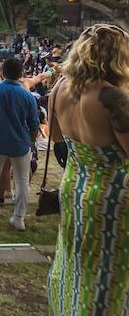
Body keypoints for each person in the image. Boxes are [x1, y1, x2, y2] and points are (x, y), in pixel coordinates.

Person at [48, 24, 129, 316]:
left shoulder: (59, 89)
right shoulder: (113, 97)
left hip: (75, 186)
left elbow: (56, 138)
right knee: (107, 275)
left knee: (75, 264)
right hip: (112, 196)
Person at [0, 57, 40, 230]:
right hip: (20, 143)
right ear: (21, 73)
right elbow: (34, 124)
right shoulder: (27, 95)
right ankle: (19, 217)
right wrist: (32, 141)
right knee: (21, 180)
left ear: (2, 72)